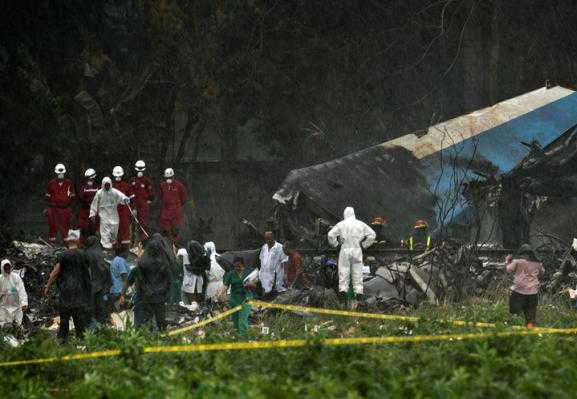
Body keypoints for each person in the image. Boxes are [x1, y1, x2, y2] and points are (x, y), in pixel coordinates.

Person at [44, 230, 92, 343]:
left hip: (66, 292)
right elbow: (89, 274)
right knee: (79, 319)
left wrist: (47, 286)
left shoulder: (63, 255)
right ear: (78, 240)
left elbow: (55, 273)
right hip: (80, 292)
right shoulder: (84, 255)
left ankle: (62, 341)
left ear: (68, 241)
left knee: (64, 319)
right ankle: (82, 342)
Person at [121, 233, 171, 331]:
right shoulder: (164, 265)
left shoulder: (141, 265)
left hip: (143, 300)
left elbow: (129, 280)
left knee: (141, 328)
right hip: (159, 301)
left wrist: (123, 294)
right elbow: (168, 284)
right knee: (160, 328)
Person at [327, 207, 376, 301]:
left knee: (343, 273)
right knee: (357, 274)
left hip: (345, 249)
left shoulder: (341, 224)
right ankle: (359, 296)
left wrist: (336, 244)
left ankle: (342, 297)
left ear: (345, 214)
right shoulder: (360, 224)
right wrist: (364, 244)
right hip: (357, 250)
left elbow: (330, 235)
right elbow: (372, 234)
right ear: (354, 214)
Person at [505, 244, 545, 328]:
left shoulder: (517, 261)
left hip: (519, 291)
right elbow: (542, 273)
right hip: (533, 292)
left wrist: (507, 261)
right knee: (530, 315)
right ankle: (530, 331)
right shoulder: (538, 263)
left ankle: (514, 328)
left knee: (514, 312)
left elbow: (509, 270)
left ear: (521, 253)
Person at [89, 176, 130, 251]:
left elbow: (121, 196)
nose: (107, 186)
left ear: (110, 184)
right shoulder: (99, 193)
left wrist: (125, 199)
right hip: (104, 216)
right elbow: (94, 204)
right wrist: (92, 214)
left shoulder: (114, 192)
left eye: (108, 185)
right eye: (105, 185)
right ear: (103, 185)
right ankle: (106, 249)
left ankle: (113, 248)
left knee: (114, 234)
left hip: (114, 216)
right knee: (105, 235)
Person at [218, 256, 256, 335]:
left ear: (243, 265)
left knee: (242, 319)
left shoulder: (249, 272)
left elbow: (255, 285)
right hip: (235, 299)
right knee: (235, 320)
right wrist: (221, 293)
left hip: (246, 298)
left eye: (239, 266)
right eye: (235, 266)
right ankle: (237, 338)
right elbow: (225, 285)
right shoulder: (231, 274)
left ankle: (244, 338)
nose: (237, 268)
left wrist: (250, 284)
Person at [45, 163, 76, 244]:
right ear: (56, 173)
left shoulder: (69, 183)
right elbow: (47, 198)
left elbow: (72, 197)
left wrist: (70, 208)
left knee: (66, 226)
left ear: (64, 173)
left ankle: (67, 244)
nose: (60, 175)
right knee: (53, 225)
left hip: (65, 208)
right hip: (53, 208)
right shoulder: (51, 183)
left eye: (62, 173)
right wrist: (48, 209)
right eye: (59, 173)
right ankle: (52, 243)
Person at [85, 236, 111, 326]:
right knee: (100, 309)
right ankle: (100, 329)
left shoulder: (85, 253)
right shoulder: (100, 254)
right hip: (100, 286)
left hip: (87, 286)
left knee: (89, 310)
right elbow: (105, 269)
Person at [159, 168, 187, 243]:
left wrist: (177, 206)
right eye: (167, 178)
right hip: (166, 210)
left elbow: (183, 198)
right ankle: (167, 244)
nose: (169, 179)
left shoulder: (179, 185)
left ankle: (175, 245)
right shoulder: (162, 185)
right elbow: (161, 197)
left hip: (176, 210)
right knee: (166, 230)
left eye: (170, 177)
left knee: (175, 229)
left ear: (173, 176)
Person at [129, 160, 154, 242]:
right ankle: (133, 243)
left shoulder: (147, 181)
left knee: (143, 224)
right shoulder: (132, 180)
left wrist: (148, 201)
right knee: (133, 225)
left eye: (141, 170)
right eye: (138, 170)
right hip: (133, 206)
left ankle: (144, 243)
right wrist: (133, 207)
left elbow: (151, 194)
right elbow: (129, 194)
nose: (140, 172)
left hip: (143, 207)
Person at [0, 259, 28, 328]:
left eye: (8, 267)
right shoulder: (0, 279)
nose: (7, 269)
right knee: (4, 325)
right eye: (5, 268)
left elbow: (21, 290)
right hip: (4, 307)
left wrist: (24, 303)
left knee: (17, 325)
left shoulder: (16, 277)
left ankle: (17, 336)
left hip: (16, 306)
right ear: (2, 268)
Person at [258, 231, 287, 296]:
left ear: (273, 238)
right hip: (264, 274)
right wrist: (261, 270)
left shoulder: (280, 247)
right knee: (263, 292)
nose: (268, 240)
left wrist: (285, 274)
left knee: (275, 292)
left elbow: (284, 261)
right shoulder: (264, 247)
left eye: (269, 238)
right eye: (266, 238)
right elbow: (261, 259)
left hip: (275, 275)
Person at [112, 166, 133, 248]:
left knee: (125, 229)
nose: (118, 177)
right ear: (114, 176)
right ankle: (115, 248)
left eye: (119, 176)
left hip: (124, 211)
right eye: (116, 176)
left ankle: (125, 249)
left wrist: (133, 207)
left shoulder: (127, 186)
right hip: (114, 211)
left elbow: (131, 198)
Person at [78, 168, 99, 247]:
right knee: (84, 228)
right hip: (85, 211)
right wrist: (88, 201)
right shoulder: (84, 187)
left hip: (94, 211)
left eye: (91, 178)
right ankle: (83, 245)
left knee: (93, 229)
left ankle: (93, 245)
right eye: (88, 178)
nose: (90, 180)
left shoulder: (97, 187)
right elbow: (81, 198)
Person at [108, 247, 130, 314]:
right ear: (123, 252)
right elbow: (124, 276)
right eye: (127, 251)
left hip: (114, 290)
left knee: (117, 314)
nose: (128, 254)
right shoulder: (121, 260)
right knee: (123, 315)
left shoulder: (114, 260)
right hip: (120, 292)